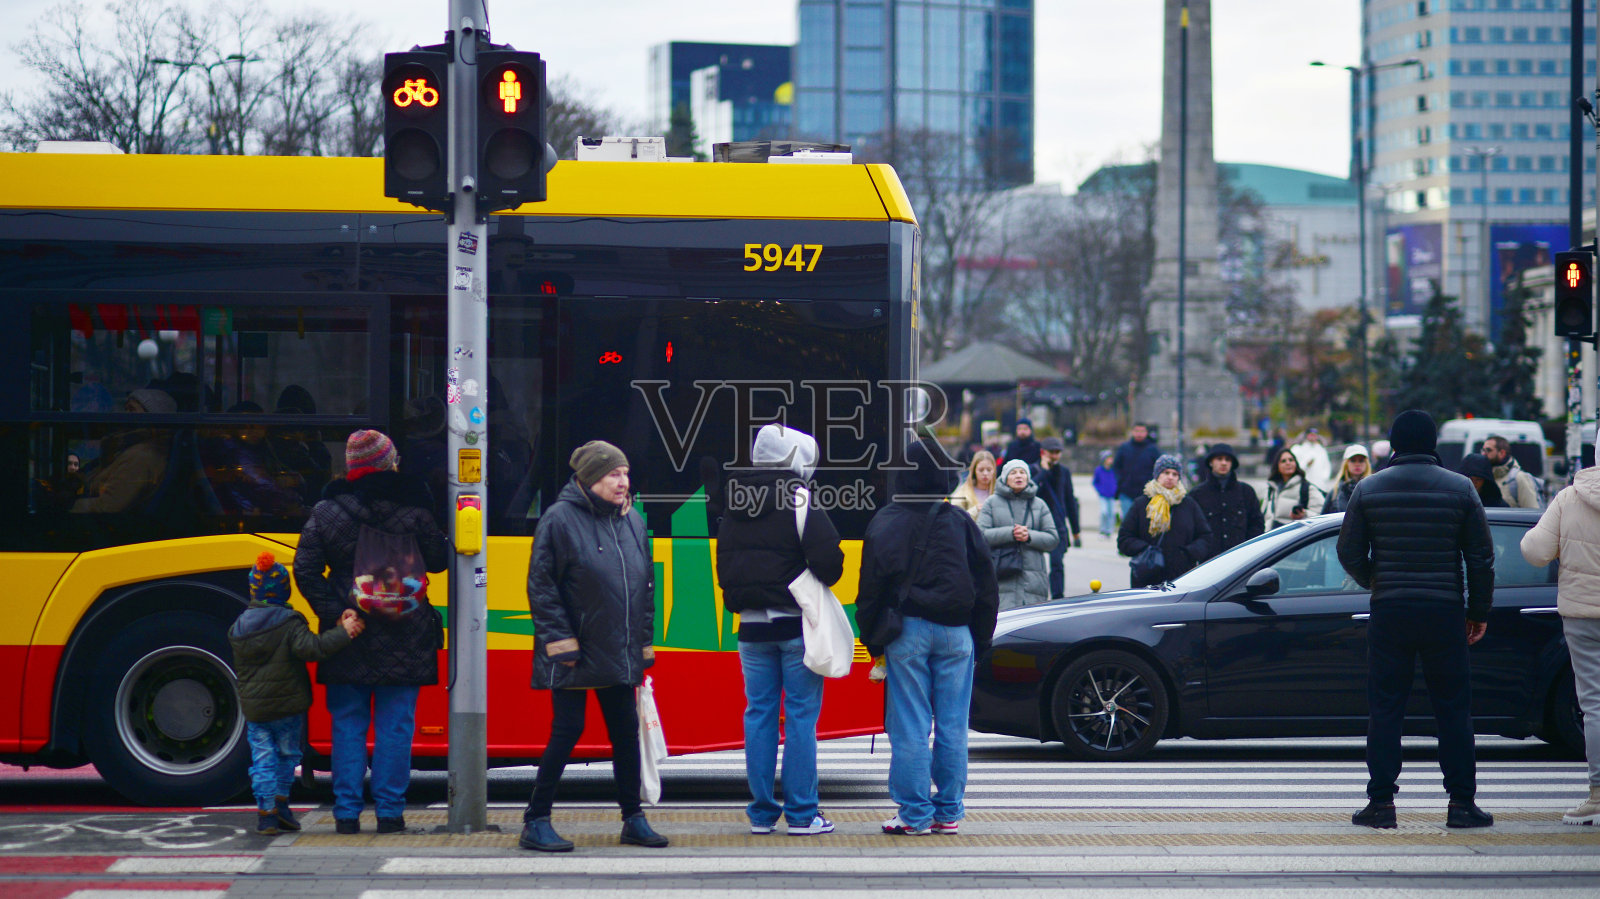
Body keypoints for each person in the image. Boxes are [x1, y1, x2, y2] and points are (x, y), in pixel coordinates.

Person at [1336, 410, 1495, 830]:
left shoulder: (1368, 488)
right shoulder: (1461, 488)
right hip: (1444, 610)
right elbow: (1481, 558)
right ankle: (1462, 804)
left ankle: (1381, 805)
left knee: (1386, 708)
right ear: (1432, 445)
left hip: (1390, 610)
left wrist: (1376, 579)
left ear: (1393, 445)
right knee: (1453, 709)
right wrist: (1477, 612)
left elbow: (1347, 551)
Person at [293, 429, 450, 836]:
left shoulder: (327, 512)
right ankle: (390, 814)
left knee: (347, 723)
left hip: (351, 634)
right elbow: (437, 561)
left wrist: (337, 612)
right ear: (389, 463)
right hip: (406, 631)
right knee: (396, 725)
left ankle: (346, 814)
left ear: (351, 467)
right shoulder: (414, 508)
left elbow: (305, 570)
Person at [521, 440, 667, 852]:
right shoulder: (559, 519)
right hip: (576, 650)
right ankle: (535, 820)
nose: (623, 483)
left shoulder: (632, 521)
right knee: (567, 731)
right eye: (613, 475)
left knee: (625, 733)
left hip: (618, 648)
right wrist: (559, 641)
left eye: (625, 474)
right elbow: (542, 586)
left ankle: (633, 818)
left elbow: (645, 588)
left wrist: (643, 642)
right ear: (589, 479)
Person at [855, 438, 998, 836]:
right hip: (959, 635)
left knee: (911, 726)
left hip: (909, 632)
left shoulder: (885, 521)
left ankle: (914, 814)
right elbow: (987, 587)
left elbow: (869, 592)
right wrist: (980, 642)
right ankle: (948, 812)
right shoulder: (962, 522)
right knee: (953, 725)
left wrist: (874, 644)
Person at [715, 424, 844, 836]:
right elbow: (830, 562)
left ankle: (761, 814)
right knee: (802, 717)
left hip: (751, 630)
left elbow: (725, 566)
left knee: (758, 715)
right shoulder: (800, 498)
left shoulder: (735, 500)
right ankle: (804, 815)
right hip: (795, 626)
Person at [228, 552, 363, 835]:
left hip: (256, 712)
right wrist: (343, 632)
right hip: (288, 710)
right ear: (283, 590)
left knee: (263, 760)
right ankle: (282, 804)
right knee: (288, 755)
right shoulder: (289, 622)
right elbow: (313, 649)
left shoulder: (238, 626)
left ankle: (266, 814)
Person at [1519, 462, 1600, 825]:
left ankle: (1598, 796)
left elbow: (1535, 551)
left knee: (1595, 704)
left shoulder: (1569, 498)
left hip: (1583, 614)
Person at [71, 388, 176, 514]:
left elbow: (107, 506)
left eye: (132, 410)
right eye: (125, 409)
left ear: (151, 417)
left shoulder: (142, 456)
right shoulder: (125, 448)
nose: (125, 415)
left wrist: (68, 507)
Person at [1118, 454, 1214, 587]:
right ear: (1157, 475)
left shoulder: (1189, 504)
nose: (1170, 477)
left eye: (1175, 474)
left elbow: (1206, 536)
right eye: (1166, 472)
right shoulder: (1141, 504)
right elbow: (1124, 539)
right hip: (1147, 578)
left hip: (1181, 578)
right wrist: (1146, 549)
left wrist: (1188, 553)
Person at [978, 459, 1059, 611]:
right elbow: (980, 535)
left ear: (1028, 478)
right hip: (1001, 579)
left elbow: (1053, 539)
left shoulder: (1039, 504)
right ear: (1004, 478)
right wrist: (1010, 533)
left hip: (1034, 581)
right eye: (1013, 473)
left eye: (1022, 472)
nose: (1018, 476)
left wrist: (1029, 536)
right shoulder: (991, 502)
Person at [1188, 444, 1263, 556]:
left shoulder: (1246, 492)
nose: (1224, 463)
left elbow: (1257, 524)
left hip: (1241, 558)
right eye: (1219, 459)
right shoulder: (1197, 494)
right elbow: (1191, 529)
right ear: (1211, 462)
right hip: (1208, 562)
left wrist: (1248, 548)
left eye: (1227, 460)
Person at [1035, 437, 1078, 598]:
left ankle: (1058, 597)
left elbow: (1070, 500)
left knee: (1057, 563)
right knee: (1036, 565)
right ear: (1043, 453)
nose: (1055, 456)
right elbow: (1029, 490)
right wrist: (1044, 472)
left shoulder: (1064, 472)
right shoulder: (1033, 470)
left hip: (1057, 523)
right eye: (1052, 452)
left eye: (1058, 452)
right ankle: (1037, 597)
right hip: (1037, 524)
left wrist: (1076, 530)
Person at [1263, 447, 1327, 530]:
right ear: (1277, 466)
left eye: (1291, 460)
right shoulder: (1271, 489)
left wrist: (1304, 514)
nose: (1288, 463)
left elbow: (1323, 515)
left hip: (1295, 538)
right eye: (1283, 461)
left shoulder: (1307, 488)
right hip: (1272, 538)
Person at [1113, 423, 1162, 520]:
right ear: (1132, 432)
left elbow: (1159, 468)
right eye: (1136, 431)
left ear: (1146, 433)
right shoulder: (1124, 448)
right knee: (1128, 521)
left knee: (1145, 521)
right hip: (1127, 491)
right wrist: (1120, 482)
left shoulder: (1153, 449)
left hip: (1147, 493)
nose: (1139, 434)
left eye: (1142, 431)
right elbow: (1116, 467)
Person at [1482, 436, 1542, 509]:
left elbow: (1531, 513)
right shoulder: (1483, 477)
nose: (1484, 454)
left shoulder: (1519, 478)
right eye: (1483, 450)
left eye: (1488, 450)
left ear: (1502, 453)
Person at [1322, 445, 1371, 515]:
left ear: (1366, 464)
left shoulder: (1373, 488)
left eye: (1361, 460)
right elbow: (1324, 517)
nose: (1357, 464)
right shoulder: (1335, 491)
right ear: (1346, 464)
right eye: (1353, 460)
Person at [948, 450, 997, 518]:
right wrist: (975, 510)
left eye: (989, 470)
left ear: (994, 471)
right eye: (981, 470)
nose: (985, 473)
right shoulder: (963, 493)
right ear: (974, 471)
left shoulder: (1000, 492)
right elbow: (956, 518)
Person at [1093, 450, 1119, 538]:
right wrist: (1100, 490)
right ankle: (1102, 530)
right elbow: (1095, 482)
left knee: (1111, 513)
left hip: (1111, 495)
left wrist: (1115, 490)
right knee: (1104, 512)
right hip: (1103, 495)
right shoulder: (1099, 470)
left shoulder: (1113, 470)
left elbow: (1116, 481)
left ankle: (1109, 530)